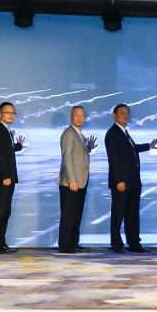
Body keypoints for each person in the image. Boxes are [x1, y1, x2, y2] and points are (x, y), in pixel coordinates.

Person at [104, 103, 157, 253]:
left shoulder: (124, 132)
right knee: (118, 214)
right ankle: (116, 244)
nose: (125, 115)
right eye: (122, 112)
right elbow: (113, 159)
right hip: (122, 182)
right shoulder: (112, 133)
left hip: (133, 181)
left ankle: (134, 243)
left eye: (127, 112)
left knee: (132, 214)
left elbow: (132, 149)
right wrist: (119, 180)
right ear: (114, 115)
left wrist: (148, 146)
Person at [57, 105, 98, 254]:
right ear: (71, 117)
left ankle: (73, 243)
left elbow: (77, 154)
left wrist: (89, 148)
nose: (80, 118)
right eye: (77, 115)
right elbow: (67, 157)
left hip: (81, 181)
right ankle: (65, 245)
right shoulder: (69, 133)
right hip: (71, 182)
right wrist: (72, 179)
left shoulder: (79, 133)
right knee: (68, 215)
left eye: (82, 116)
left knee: (76, 214)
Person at [0, 102, 25, 254]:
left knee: (5, 212)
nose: (11, 115)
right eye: (7, 112)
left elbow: (6, 150)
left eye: (13, 113)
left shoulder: (5, 130)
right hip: (1, 179)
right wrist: (5, 176)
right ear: (0, 114)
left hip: (7, 178)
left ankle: (1, 243)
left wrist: (18, 146)